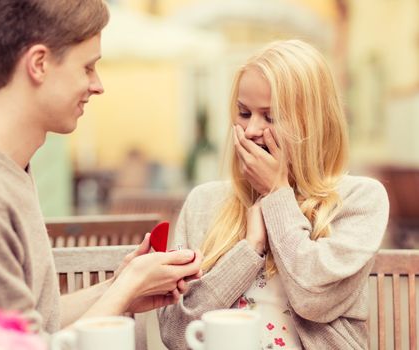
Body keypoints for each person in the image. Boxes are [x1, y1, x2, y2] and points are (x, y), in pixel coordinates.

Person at [0, 0, 202, 335]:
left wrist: (117, 287)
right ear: (39, 64)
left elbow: (36, 323)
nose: (98, 85)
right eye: (88, 67)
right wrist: (129, 287)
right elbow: (25, 346)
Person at [158, 40, 389, 349]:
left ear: (314, 124)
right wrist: (249, 250)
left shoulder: (361, 200)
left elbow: (312, 298)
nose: (252, 129)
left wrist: (277, 195)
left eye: (270, 116)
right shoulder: (204, 203)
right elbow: (176, 334)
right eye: (243, 112)